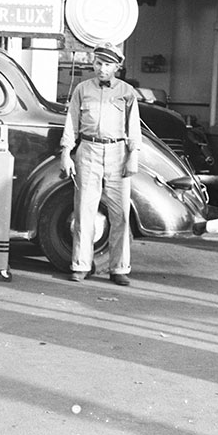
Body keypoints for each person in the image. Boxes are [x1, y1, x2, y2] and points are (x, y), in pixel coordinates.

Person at [60, 43, 143, 286]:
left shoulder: (127, 93)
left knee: (120, 215)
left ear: (117, 67)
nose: (101, 68)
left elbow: (133, 127)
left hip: (118, 152)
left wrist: (133, 155)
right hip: (88, 151)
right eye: (98, 63)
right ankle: (80, 265)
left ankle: (119, 268)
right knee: (84, 211)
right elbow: (71, 122)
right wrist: (66, 152)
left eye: (107, 64)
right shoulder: (82, 90)